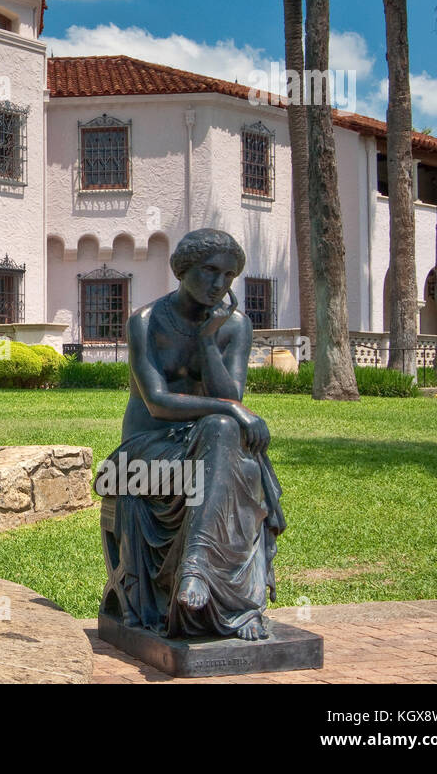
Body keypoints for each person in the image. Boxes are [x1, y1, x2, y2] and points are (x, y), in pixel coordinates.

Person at [101, 228, 285, 641]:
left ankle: (197, 570)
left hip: (209, 444)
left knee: (222, 434)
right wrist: (230, 409)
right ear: (183, 269)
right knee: (222, 428)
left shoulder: (234, 325)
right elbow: (158, 402)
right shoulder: (146, 322)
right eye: (209, 271)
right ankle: (202, 576)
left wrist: (207, 340)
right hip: (147, 450)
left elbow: (228, 395)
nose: (219, 284)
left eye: (229, 276)